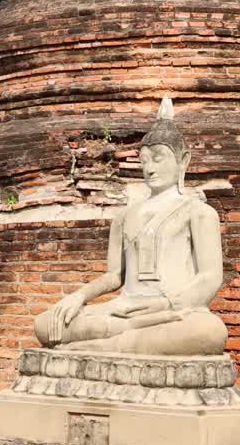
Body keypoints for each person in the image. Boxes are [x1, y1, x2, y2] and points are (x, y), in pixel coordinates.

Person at [35, 98, 227, 355]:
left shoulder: (199, 213)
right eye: (144, 160)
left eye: (158, 159)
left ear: (183, 161)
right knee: (46, 324)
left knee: (209, 332)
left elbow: (210, 278)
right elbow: (115, 276)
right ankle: (125, 337)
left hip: (171, 310)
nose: (149, 168)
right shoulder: (125, 217)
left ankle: (98, 346)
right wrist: (79, 297)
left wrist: (163, 304)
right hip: (124, 308)